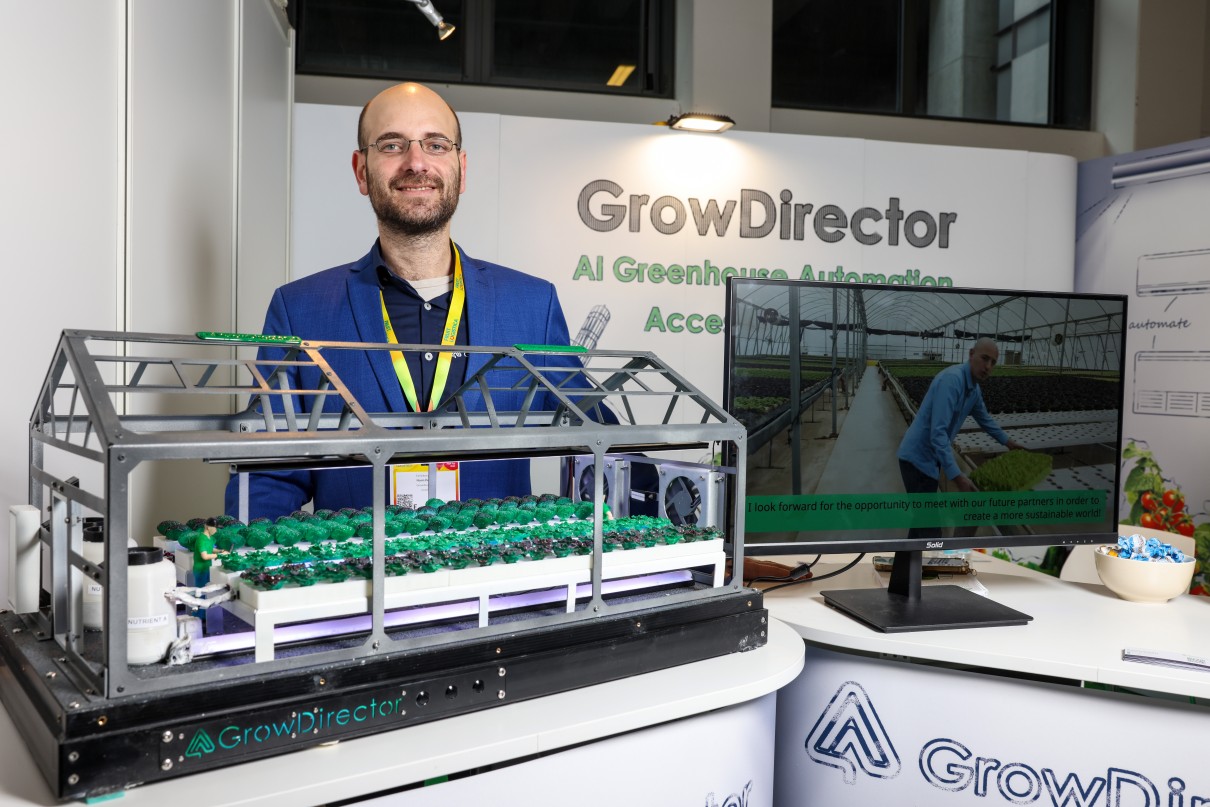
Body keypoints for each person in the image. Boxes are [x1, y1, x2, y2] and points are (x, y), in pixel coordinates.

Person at [225, 82, 594, 519]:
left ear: (461, 168)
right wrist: (256, 569)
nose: (416, 162)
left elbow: (597, 441)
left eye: (435, 145)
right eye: (392, 144)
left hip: (496, 576)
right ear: (362, 171)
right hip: (359, 579)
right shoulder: (300, 310)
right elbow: (267, 477)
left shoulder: (533, 306)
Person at [896, 338, 1025, 536]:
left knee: (921, 524)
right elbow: (937, 434)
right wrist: (958, 477)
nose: (988, 366)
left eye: (993, 362)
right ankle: (914, 565)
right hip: (917, 460)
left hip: (929, 460)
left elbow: (984, 419)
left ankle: (905, 566)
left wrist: (1008, 442)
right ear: (971, 354)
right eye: (984, 358)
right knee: (929, 529)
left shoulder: (973, 389)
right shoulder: (952, 381)